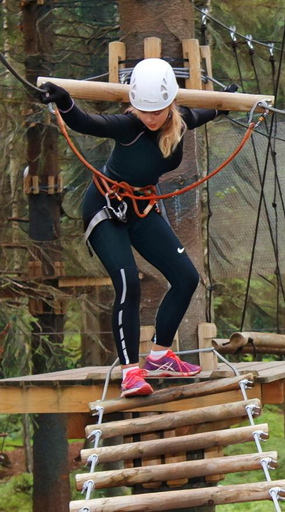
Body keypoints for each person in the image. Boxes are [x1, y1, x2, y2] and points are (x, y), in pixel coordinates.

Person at [40, 58, 236, 397]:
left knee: (187, 278)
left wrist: (226, 102)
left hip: (141, 208)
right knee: (128, 282)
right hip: (105, 206)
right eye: (144, 111)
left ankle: (160, 357)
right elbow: (86, 123)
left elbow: (205, 113)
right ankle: (131, 371)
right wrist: (64, 101)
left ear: (170, 104)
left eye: (157, 111)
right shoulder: (127, 126)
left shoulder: (181, 120)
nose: (150, 118)